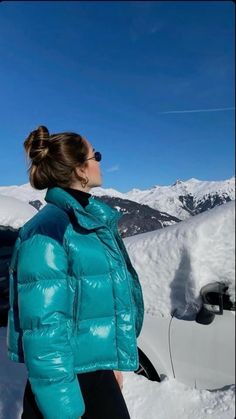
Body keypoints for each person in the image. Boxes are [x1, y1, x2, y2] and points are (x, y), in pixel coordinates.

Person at [6, 126, 145, 419]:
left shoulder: (87, 223)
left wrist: (106, 367)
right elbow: (44, 332)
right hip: (65, 385)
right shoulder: (48, 231)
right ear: (81, 169)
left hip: (92, 374)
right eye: (96, 155)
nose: (99, 161)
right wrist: (63, 409)